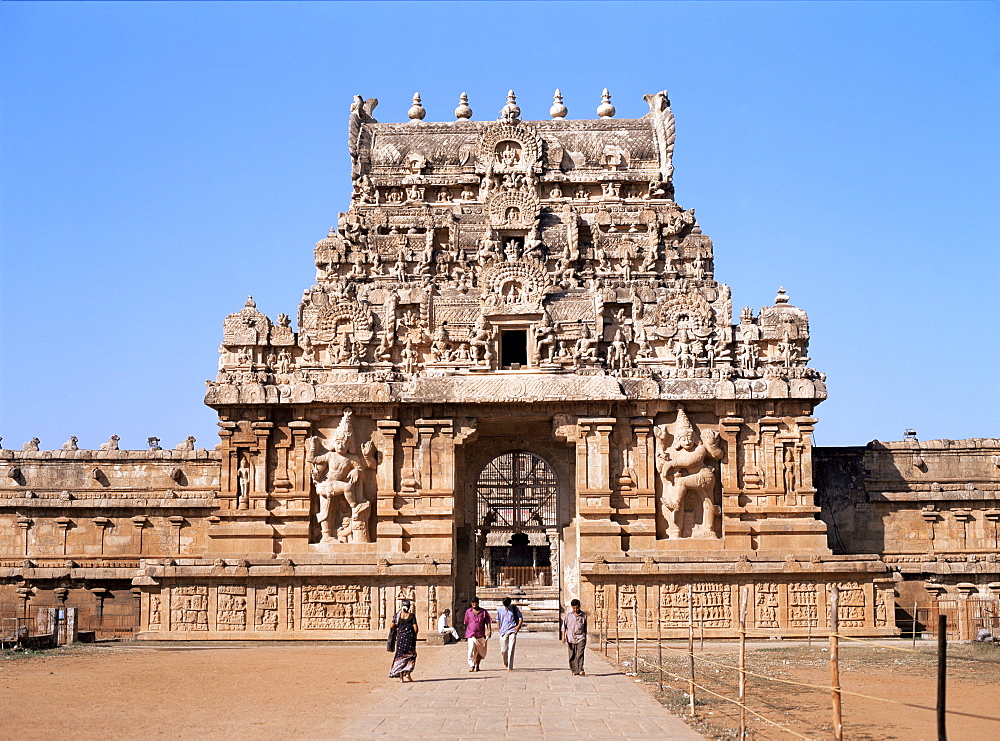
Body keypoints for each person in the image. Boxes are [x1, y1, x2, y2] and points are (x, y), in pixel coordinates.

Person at [389, 599, 418, 682]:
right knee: (411, 656)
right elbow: (415, 628)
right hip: (409, 639)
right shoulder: (412, 616)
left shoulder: (398, 616)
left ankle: (401, 677)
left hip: (401, 639)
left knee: (400, 656)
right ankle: (408, 674)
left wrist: (398, 629)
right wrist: (414, 636)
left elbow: (391, 626)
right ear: (409, 607)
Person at [464, 596, 492, 672]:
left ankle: (477, 665)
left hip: (480, 634)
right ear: (471, 604)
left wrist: (489, 631)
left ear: (478, 603)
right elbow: (466, 622)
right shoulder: (468, 612)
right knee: (471, 650)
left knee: (480, 651)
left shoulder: (483, 612)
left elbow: (488, 622)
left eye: (476, 604)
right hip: (471, 634)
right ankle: (471, 665)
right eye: (473, 604)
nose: (474, 605)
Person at [496, 597, 524, 671]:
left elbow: (520, 618)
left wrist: (518, 626)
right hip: (503, 631)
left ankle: (510, 666)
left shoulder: (515, 609)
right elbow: (497, 619)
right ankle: (505, 662)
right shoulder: (500, 610)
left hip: (512, 630)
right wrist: (499, 627)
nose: (507, 607)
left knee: (511, 648)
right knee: (504, 650)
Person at [562, 598, 588, 676]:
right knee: (572, 654)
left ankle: (580, 669)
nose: (575, 609)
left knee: (580, 653)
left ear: (579, 606)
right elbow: (564, 626)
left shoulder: (583, 615)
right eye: (574, 608)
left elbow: (585, 627)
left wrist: (585, 637)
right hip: (570, 637)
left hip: (581, 637)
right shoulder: (568, 614)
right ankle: (574, 670)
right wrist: (563, 637)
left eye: (577, 608)